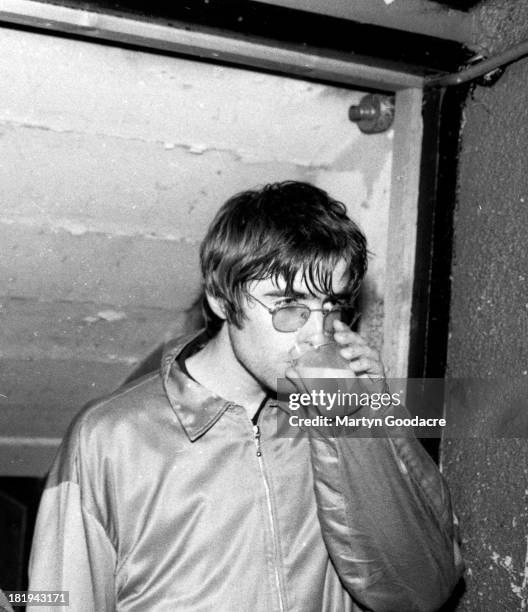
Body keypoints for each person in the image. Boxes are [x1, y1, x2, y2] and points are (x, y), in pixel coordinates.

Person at [28, 181, 463, 611]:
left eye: (331, 307)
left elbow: (424, 590)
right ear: (220, 297)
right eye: (289, 305)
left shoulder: (335, 415)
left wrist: (365, 416)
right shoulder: (109, 436)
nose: (316, 335)